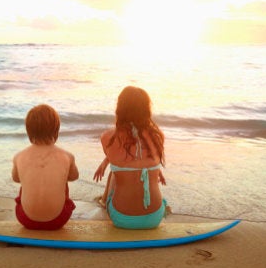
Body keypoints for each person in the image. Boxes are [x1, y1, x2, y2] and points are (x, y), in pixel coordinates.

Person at [93, 86, 168, 229]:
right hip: (155, 218)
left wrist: (105, 163)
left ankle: (104, 202)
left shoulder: (107, 138)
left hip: (121, 218)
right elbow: (140, 157)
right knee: (145, 174)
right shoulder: (157, 137)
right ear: (146, 109)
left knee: (114, 174)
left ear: (120, 109)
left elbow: (118, 156)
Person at [12, 104, 79, 230]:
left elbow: (16, 179)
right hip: (58, 220)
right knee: (63, 183)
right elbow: (74, 177)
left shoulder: (19, 156)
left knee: (24, 184)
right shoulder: (67, 156)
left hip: (26, 220)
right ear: (56, 128)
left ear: (29, 130)